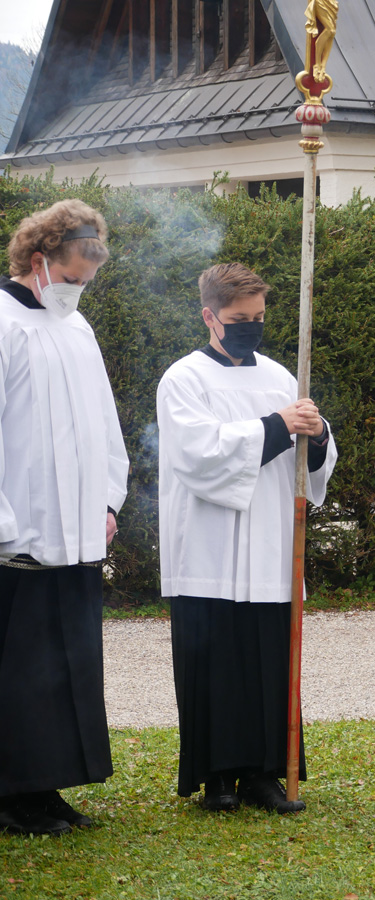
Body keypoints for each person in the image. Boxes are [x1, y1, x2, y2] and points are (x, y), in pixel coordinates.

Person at [157, 263, 336, 814]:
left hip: (271, 545)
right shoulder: (183, 379)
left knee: (268, 662)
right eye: (240, 319)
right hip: (208, 547)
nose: (251, 327)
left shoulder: (282, 378)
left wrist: (320, 433)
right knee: (215, 660)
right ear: (209, 316)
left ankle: (264, 775)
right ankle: (217, 778)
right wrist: (279, 426)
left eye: (259, 317)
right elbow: (200, 455)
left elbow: (311, 460)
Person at [0, 200, 129, 836]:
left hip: (75, 533)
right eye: (72, 277)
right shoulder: (1, 322)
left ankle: (47, 788)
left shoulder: (75, 326)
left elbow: (102, 421)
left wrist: (106, 500)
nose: (79, 290)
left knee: (65, 664)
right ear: (37, 260)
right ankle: (9, 793)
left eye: (88, 281)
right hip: (17, 535)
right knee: (17, 669)